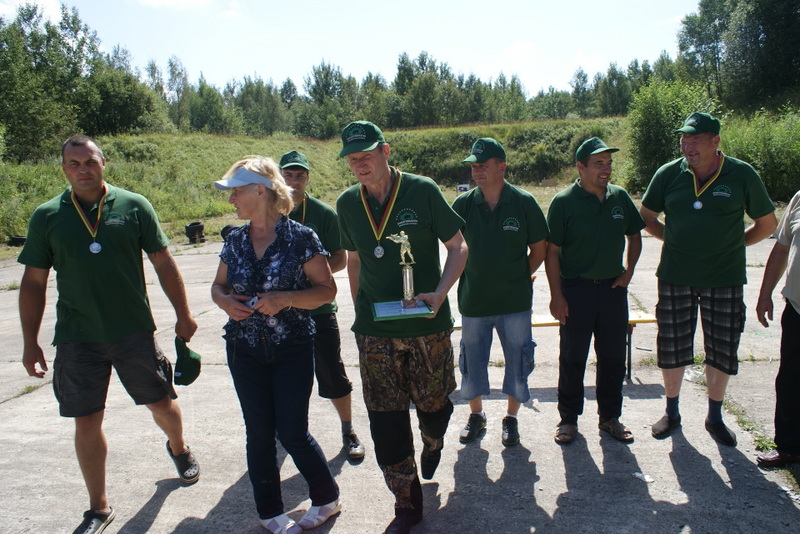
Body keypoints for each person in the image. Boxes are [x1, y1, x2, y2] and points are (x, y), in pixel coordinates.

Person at [19, 134, 200, 534]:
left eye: (89, 161)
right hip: (77, 337)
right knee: (85, 420)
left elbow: (163, 261)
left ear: (103, 163)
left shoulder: (134, 206)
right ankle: (98, 507)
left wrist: (183, 314)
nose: (82, 169)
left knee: (161, 403)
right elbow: (33, 282)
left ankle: (179, 447)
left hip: (132, 331)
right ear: (63, 169)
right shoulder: (47, 216)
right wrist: (30, 341)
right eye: (73, 163)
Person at [336, 121, 468, 534]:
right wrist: (360, 310)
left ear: (386, 151)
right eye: (352, 158)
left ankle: (433, 439)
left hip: (427, 323)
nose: (360, 164)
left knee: (434, 405)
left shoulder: (422, 190)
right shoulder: (347, 203)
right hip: (376, 332)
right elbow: (354, 259)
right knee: (385, 418)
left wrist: (441, 293)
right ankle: (406, 503)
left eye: (366, 155)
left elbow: (458, 246)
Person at [211, 157, 341, 534]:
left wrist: (286, 298)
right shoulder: (234, 240)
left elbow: (326, 291)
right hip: (243, 349)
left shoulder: (301, 238)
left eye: (236, 191)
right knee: (258, 433)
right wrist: (225, 302)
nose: (231, 200)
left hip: (292, 347)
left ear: (260, 191)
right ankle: (269, 511)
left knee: (292, 432)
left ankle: (327, 498)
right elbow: (218, 286)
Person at [640, 112, 777, 446]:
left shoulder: (741, 174)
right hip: (675, 275)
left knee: (722, 348)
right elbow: (646, 217)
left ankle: (714, 417)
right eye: (684, 140)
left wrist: (734, 244)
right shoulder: (669, 174)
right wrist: (673, 238)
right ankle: (672, 412)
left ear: (715, 141)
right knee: (672, 346)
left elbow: (767, 224)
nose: (688, 146)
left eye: (695, 140)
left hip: (724, 277)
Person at [545, 137, 644, 445]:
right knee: (573, 357)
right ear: (581, 166)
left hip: (613, 290)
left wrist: (629, 272)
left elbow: (635, 235)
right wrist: (556, 295)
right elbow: (551, 251)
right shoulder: (564, 202)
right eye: (599, 163)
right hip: (576, 290)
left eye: (609, 163)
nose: (606, 169)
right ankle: (568, 420)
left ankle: (610, 417)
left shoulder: (619, 197)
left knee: (613, 357)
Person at [452, 138, 547, 447]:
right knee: (471, 363)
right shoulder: (463, 205)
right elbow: (452, 248)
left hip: (514, 302)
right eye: (473, 166)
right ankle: (476, 415)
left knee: (518, 362)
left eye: (482, 165)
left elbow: (540, 248)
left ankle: (511, 418)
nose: (476, 171)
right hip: (474, 301)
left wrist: (518, 276)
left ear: (502, 167)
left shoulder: (523, 202)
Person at [280, 150, 365, 461]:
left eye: (300, 175)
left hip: (317, 309)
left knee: (331, 372)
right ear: (278, 177)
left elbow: (341, 258)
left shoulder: (323, 214)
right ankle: (285, 432)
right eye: (288, 175)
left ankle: (348, 430)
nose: (294, 181)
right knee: (283, 377)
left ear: (307, 178)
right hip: (278, 311)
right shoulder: (267, 211)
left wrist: (311, 273)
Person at [755, 189, 800, 467]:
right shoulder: (798, 199)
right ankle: (789, 447)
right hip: (796, 309)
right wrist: (765, 294)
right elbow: (782, 247)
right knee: (790, 381)